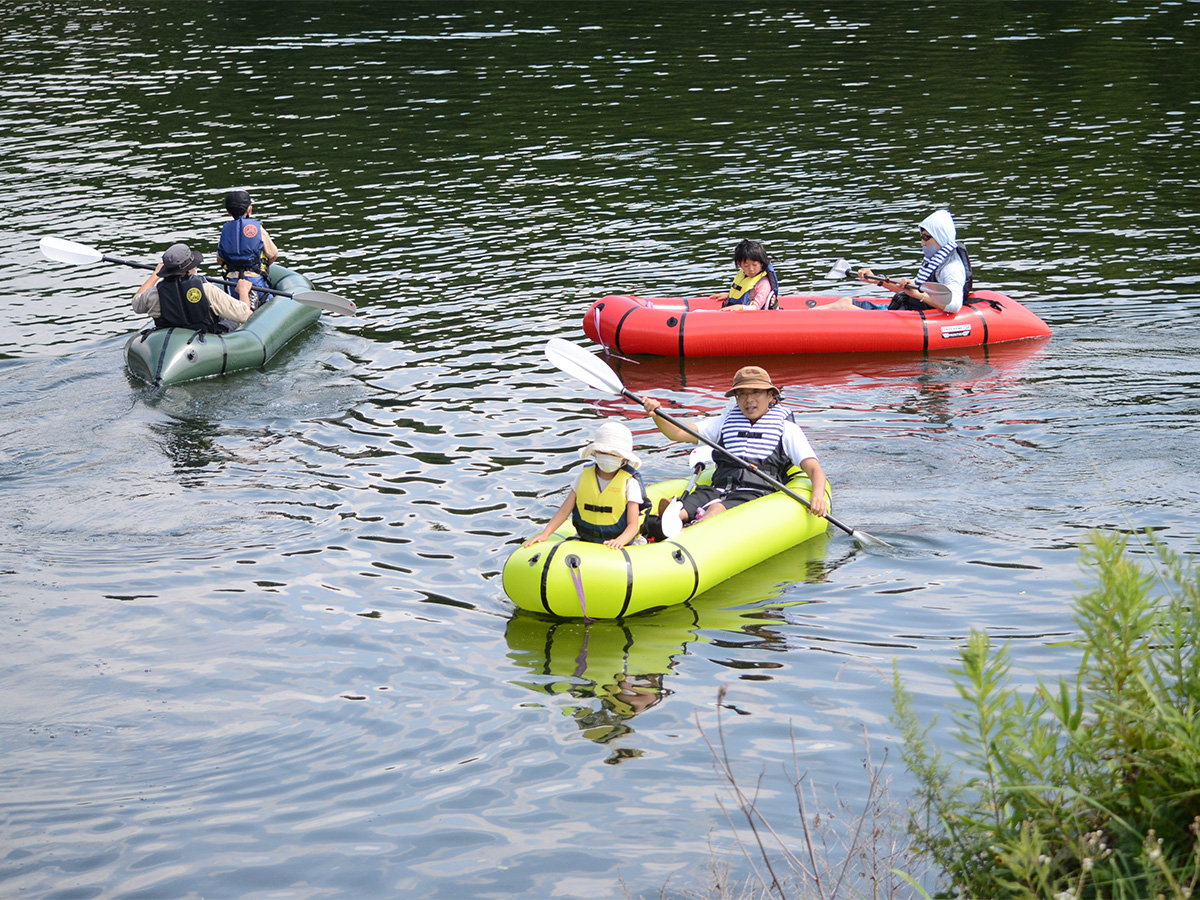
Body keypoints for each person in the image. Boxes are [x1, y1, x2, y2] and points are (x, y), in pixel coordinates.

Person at [641, 366, 829, 524]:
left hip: (756, 493)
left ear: (770, 395)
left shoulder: (787, 429)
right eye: (742, 395)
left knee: (717, 507)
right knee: (691, 503)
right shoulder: (725, 422)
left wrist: (818, 496)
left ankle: (686, 531)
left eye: (756, 392)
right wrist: (657, 414)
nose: (749, 400)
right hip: (718, 487)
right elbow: (679, 432)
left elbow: (814, 469)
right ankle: (666, 520)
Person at [523, 422, 649, 550]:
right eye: (603, 452)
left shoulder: (629, 482)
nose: (607, 457)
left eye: (614, 454)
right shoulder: (583, 477)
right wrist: (545, 534)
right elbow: (564, 511)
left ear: (624, 458)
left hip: (621, 543)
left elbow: (633, 525)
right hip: (585, 538)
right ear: (595, 452)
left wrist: (619, 541)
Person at [828, 209, 973, 313]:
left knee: (844, 308)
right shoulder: (936, 260)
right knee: (845, 302)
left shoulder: (951, 268)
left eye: (926, 237)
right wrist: (877, 280)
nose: (922, 242)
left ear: (940, 237)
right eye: (921, 237)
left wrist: (918, 295)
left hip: (916, 317)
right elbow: (911, 289)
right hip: (905, 310)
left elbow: (953, 305)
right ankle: (806, 319)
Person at [131, 243, 253, 332]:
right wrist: (243, 291)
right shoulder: (207, 290)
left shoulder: (154, 294)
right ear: (190, 269)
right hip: (206, 339)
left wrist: (154, 276)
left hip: (171, 338)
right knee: (234, 321)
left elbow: (136, 303)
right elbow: (244, 314)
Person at [216, 189, 279, 309]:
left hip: (233, 283)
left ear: (228, 212)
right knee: (270, 304)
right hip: (255, 281)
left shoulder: (225, 231)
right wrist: (263, 267)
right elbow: (274, 254)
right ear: (250, 208)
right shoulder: (258, 229)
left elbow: (220, 260)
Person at [711, 239, 779, 311]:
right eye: (746, 266)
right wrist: (729, 296)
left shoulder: (763, 284)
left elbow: (756, 307)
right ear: (739, 264)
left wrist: (740, 307)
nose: (751, 269)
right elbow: (747, 294)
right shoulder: (744, 276)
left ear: (761, 263)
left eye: (754, 265)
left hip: (754, 318)